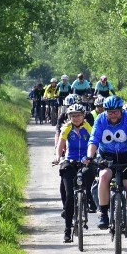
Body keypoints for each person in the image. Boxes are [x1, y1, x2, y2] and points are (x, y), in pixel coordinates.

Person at [84, 95, 127, 241]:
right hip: (107, 155)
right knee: (104, 176)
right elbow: (94, 139)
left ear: (121, 110)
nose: (113, 115)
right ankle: (103, 213)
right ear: (105, 111)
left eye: (116, 112)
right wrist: (90, 156)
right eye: (110, 112)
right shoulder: (101, 119)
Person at [53, 104, 96, 243]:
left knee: (90, 174)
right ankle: (67, 230)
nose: (76, 118)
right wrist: (58, 157)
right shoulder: (67, 128)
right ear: (69, 117)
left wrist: (95, 157)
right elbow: (61, 144)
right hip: (70, 161)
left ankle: (88, 196)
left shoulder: (88, 127)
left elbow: (95, 142)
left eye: (78, 115)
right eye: (72, 116)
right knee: (70, 195)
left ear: (83, 116)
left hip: (86, 161)